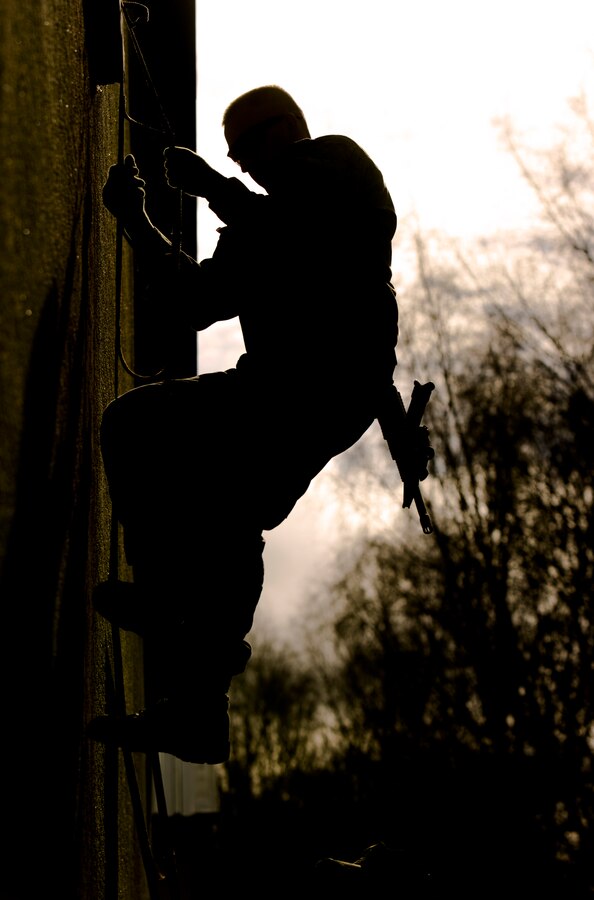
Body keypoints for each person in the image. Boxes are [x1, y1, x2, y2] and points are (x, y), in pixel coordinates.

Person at [88, 85, 400, 765]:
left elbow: (315, 244)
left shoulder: (338, 169)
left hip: (310, 391)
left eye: (245, 150)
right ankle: (198, 712)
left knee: (140, 429)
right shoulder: (258, 220)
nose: (246, 166)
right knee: (223, 515)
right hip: (292, 392)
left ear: (283, 129)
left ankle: (170, 605)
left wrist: (213, 186)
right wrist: (139, 219)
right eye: (234, 157)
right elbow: (196, 302)